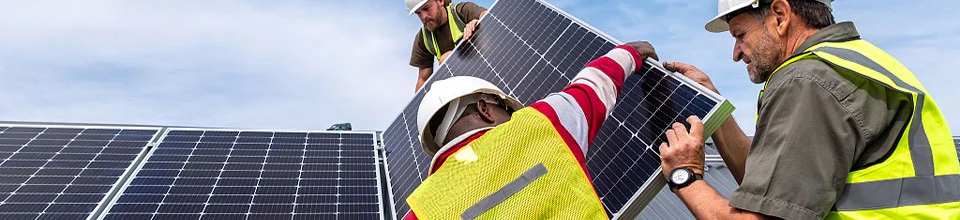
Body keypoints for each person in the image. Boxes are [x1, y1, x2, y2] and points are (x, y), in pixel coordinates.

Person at [657, 0, 960, 219]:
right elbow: (776, 191)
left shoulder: (807, 80)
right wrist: (714, 104)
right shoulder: (857, 60)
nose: (736, 53)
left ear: (780, 15)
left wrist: (685, 175)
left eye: (740, 35)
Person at [403, 41, 659, 219]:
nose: (512, 117)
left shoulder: (424, 208)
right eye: (507, 109)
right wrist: (631, 52)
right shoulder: (539, 124)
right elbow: (594, 84)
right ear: (484, 109)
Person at [406, 0, 486, 91]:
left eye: (426, 8)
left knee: (445, 58)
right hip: (463, 87)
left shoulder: (462, 11)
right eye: (418, 13)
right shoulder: (423, 38)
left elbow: (490, 16)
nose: (424, 16)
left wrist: (478, 22)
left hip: (485, 66)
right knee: (445, 61)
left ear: (440, 1)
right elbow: (423, 80)